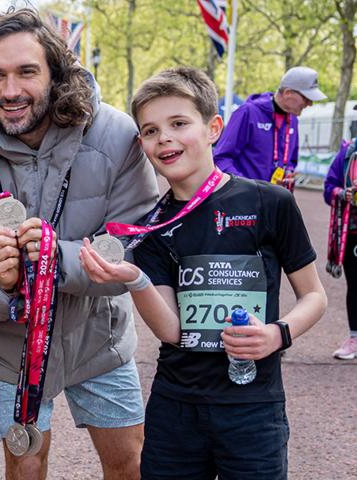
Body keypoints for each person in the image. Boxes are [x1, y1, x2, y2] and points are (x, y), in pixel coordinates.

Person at [0, 8, 158, 480]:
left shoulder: (117, 137)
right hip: (11, 349)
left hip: (98, 339)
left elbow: (138, 250)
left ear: (55, 74)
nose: (11, 90)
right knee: (25, 464)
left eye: (26, 72)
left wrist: (60, 258)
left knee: (130, 464)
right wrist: (0, 282)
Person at [80, 66, 327, 479]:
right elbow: (173, 332)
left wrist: (277, 334)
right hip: (177, 407)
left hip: (253, 406)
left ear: (214, 128)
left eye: (179, 123)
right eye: (151, 131)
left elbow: (314, 296)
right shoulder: (152, 226)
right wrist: (134, 280)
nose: (165, 139)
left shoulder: (270, 204)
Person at [214, 66, 327, 190]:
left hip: (275, 200)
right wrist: (245, 187)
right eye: (306, 98)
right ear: (288, 93)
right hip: (245, 201)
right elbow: (221, 158)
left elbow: (291, 161)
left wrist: (288, 172)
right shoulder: (248, 112)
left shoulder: (293, 120)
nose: (310, 104)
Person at [323, 135, 357, 359]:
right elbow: (328, 188)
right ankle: (354, 338)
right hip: (352, 230)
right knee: (355, 284)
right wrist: (342, 193)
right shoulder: (347, 153)